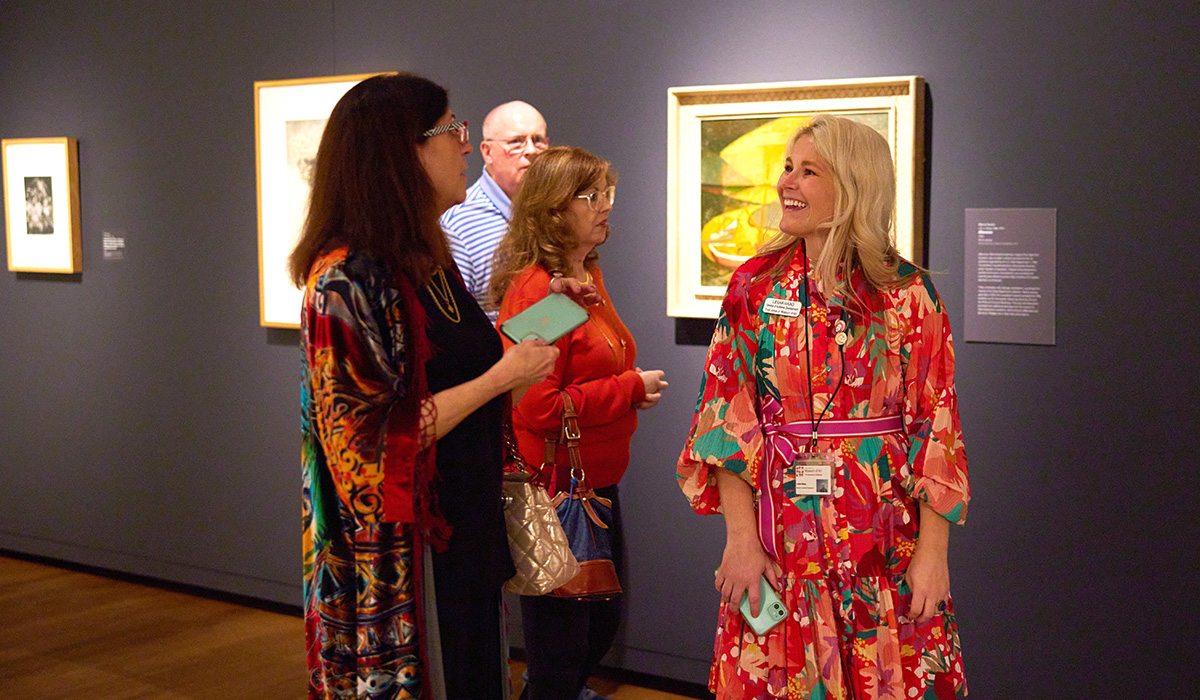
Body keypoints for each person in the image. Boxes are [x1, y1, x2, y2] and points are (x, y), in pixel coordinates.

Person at [677, 115, 970, 699]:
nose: (787, 181)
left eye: (809, 171)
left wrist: (934, 554)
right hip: (779, 537)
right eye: (788, 166)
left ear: (854, 186)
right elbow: (725, 418)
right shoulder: (755, 288)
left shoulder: (907, 293)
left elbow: (938, 426)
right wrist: (739, 539)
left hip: (883, 540)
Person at [289, 73, 561, 700]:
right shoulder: (345, 278)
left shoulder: (423, 257)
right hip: (404, 560)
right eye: (452, 132)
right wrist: (502, 377)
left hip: (463, 532)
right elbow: (366, 445)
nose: (466, 146)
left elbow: (476, 356)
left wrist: (551, 313)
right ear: (402, 151)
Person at [490, 146, 668, 700]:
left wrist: (622, 390)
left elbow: (581, 370)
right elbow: (536, 406)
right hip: (558, 490)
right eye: (591, 196)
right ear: (552, 210)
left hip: (592, 483)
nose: (605, 206)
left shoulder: (582, 275)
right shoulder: (540, 289)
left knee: (589, 634)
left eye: (606, 194)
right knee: (565, 648)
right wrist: (627, 389)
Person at [441, 100, 549, 321]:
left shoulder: (553, 211)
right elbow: (458, 322)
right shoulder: (459, 223)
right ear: (487, 151)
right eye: (516, 142)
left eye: (538, 140)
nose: (530, 151)